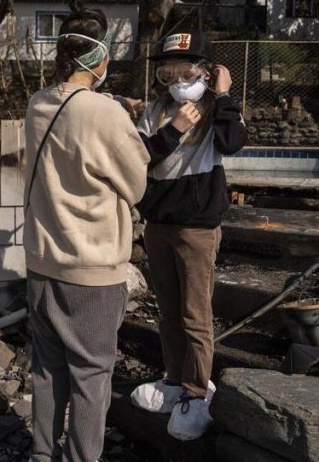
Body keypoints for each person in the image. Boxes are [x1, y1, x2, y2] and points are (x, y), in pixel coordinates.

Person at [24, 2, 150, 462]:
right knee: (91, 376)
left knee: (47, 368)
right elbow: (136, 183)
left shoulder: (37, 104)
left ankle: (42, 454)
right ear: (101, 60)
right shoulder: (104, 112)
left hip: (41, 260)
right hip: (91, 269)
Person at [129, 29, 247, 441]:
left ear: (207, 72)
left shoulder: (218, 110)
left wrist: (226, 93)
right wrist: (175, 128)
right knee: (167, 311)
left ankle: (197, 392)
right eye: (168, 74)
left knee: (195, 315)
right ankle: (175, 378)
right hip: (158, 224)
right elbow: (139, 158)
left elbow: (233, 144)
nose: (177, 82)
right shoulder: (156, 111)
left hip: (198, 228)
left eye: (187, 72)